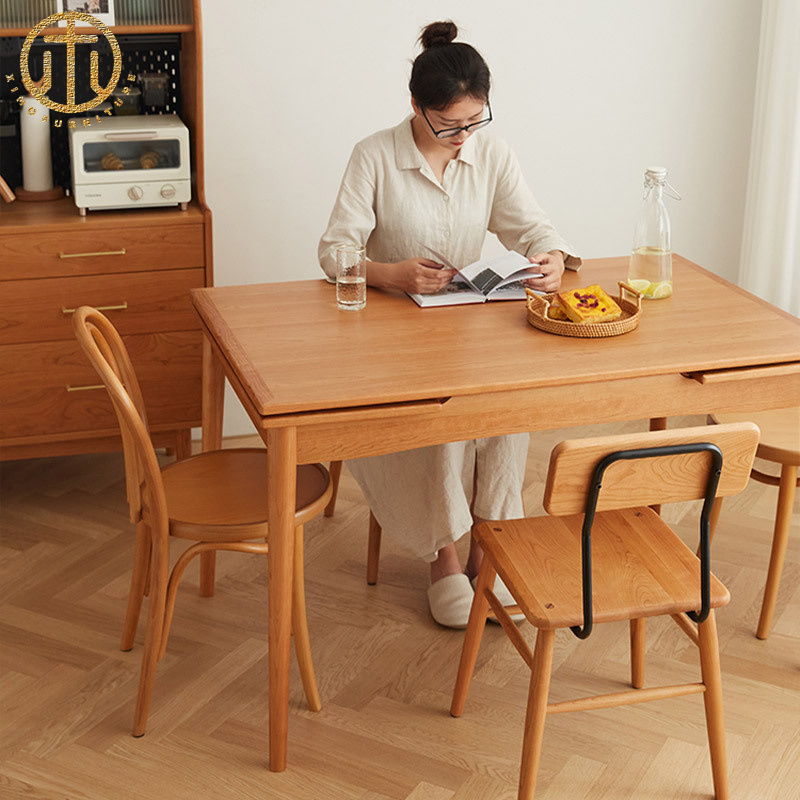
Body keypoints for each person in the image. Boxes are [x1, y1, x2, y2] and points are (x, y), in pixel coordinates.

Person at [319, 20, 580, 629]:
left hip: (473, 328)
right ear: (416, 107)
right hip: (396, 343)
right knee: (440, 425)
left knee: (507, 412)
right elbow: (335, 252)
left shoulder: (492, 152)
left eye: (475, 120)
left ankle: (492, 544)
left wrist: (554, 259)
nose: (464, 136)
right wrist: (391, 275)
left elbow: (533, 227)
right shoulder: (375, 155)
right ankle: (445, 556)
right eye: (450, 124)